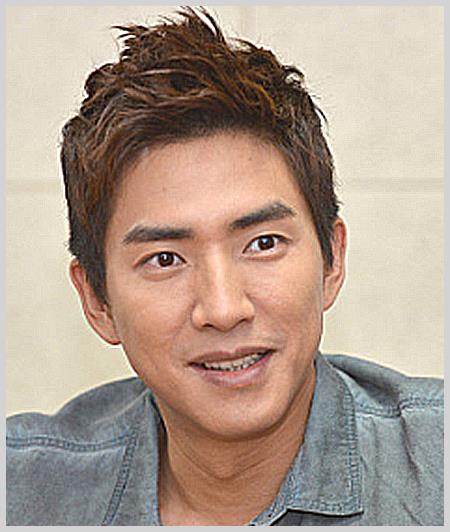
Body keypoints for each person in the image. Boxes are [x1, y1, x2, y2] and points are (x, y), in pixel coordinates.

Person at [6, 7, 443, 526]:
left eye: (263, 243)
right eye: (165, 259)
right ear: (97, 302)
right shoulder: (22, 492)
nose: (223, 309)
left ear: (332, 259)